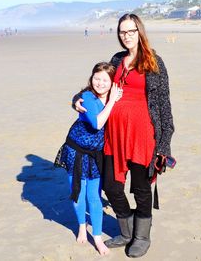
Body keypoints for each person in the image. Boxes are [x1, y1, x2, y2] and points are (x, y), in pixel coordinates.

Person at [73, 13, 174, 258]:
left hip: (143, 135)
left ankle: (141, 236)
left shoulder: (154, 62)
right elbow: (99, 86)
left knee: (140, 189)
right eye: (122, 32)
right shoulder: (117, 60)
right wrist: (76, 99)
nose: (126, 36)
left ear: (140, 32)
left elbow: (164, 106)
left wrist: (164, 145)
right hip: (114, 135)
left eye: (131, 31)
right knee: (111, 186)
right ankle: (126, 231)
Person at [55, 62, 122, 256]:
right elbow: (97, 124)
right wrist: (111, 102)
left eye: (105, 80)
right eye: (96, 78)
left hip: (96, 155)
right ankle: (82, 226)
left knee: (94, 197)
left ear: (112, 83)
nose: (100, 83)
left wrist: (113, 99)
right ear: (91, 78)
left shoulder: (113, 95)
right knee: (78, 194)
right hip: (76, 152)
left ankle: (98, 237)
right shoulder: (87, 97)